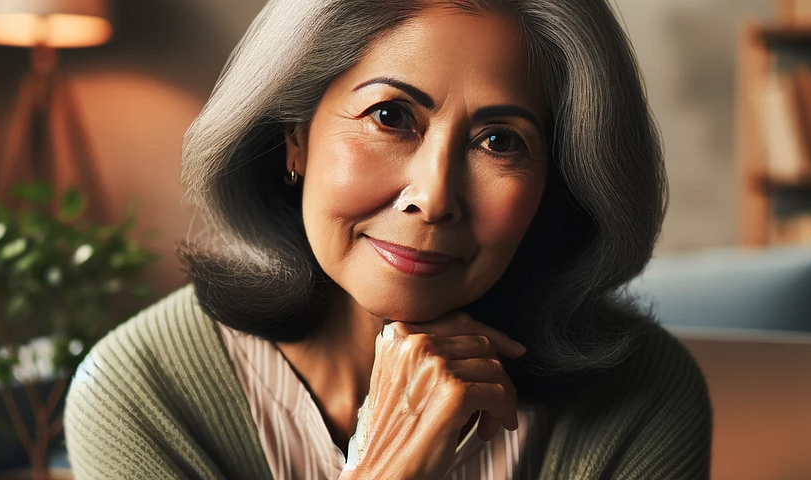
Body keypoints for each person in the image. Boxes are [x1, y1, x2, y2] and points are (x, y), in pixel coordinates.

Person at [64, 0, 711, 478]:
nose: (433, 196)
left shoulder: (644, 399)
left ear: (557, 183)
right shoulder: (142, 395)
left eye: (500, 141)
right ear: (295, 135)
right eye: (391, 116)